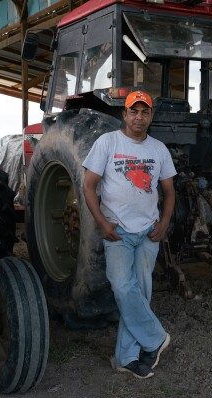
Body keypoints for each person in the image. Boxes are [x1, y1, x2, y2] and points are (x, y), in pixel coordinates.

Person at [82, 90, 175, 379]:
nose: (138, 117)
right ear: (124, 115)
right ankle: (156, 338)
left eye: (144, 112)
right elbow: (88, 186)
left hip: (149, 231)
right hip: (118, 232)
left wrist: (165, 223)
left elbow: (169, 191)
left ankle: (126, 357)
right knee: (123, 288)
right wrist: (102, 223)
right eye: (133, 111)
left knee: (140, 293)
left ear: (151, 116)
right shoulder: (107, 143)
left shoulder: (158, 149)